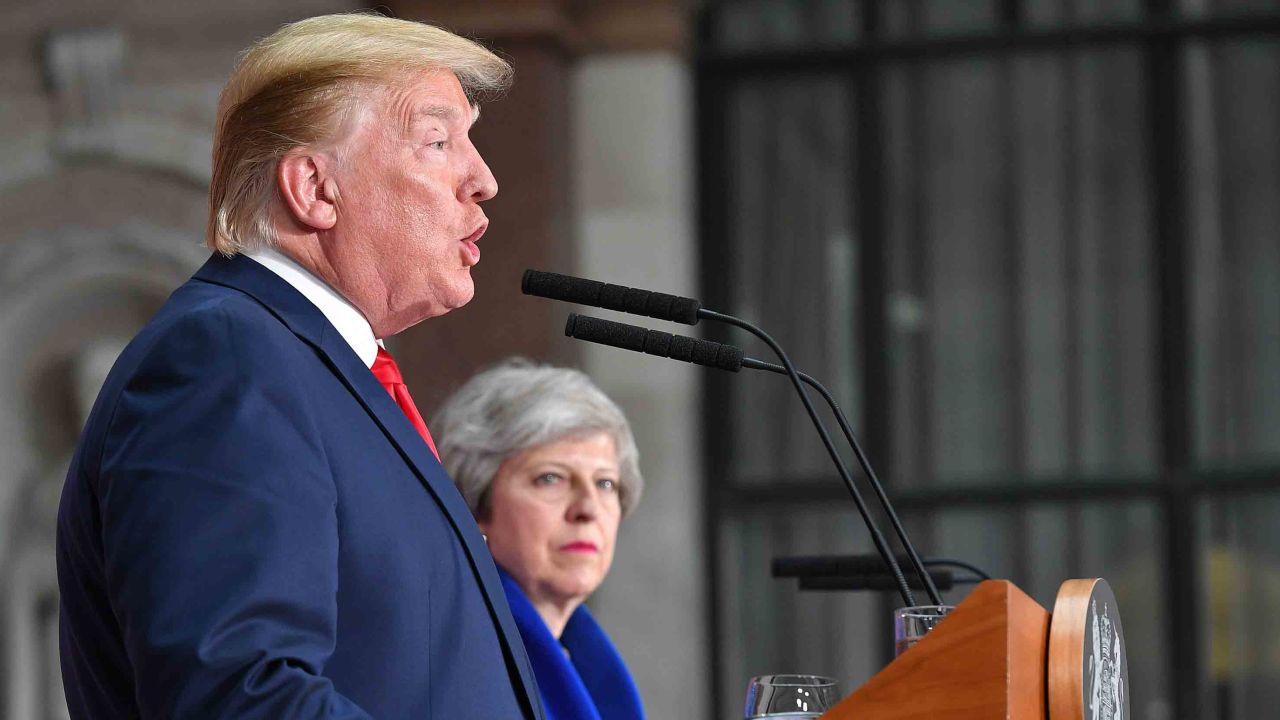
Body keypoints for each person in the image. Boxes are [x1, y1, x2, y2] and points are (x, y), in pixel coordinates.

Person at [56, 14, 545, 719]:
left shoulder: (317, 370)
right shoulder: (225, 359)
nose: (485, 179)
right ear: (314, 189)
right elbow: (238, 697)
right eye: (438, 141)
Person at [432, 359, 647, 720]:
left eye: (605, 483)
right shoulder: (453, 660)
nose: (588, 508)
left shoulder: (585, 656)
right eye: (551, 478)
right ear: (476, 504)